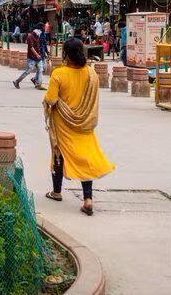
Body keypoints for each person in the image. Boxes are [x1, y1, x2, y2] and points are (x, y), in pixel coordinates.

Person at [43, 38, 115, 216]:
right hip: (85, 124)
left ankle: (57, 192)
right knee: (86, 157)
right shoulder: (91, 74)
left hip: (63, 124)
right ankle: (88, 199)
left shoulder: (58, 74)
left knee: (58, 154)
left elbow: (51, 100)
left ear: (65, 54)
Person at [14, 24, 46, 90]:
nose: (40, 31)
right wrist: (37, 54)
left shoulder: (38, 36)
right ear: (36, 30)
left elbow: (39, 46)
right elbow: (31, 47)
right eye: (40, 30)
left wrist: (43, 53)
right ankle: (17, 81)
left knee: (40, 70)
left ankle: (38, 84)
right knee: (28, 71)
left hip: (38, 58)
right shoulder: (30, 37)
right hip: (31, 58)